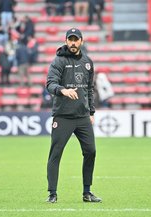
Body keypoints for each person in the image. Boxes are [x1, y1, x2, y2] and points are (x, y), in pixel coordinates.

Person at [45, 28, 101, 203]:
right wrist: (63, 90)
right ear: (66, 41)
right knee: (56, 153)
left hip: (82, 116)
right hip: (63, 116)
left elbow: (89, 89)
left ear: (81, 42)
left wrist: (91, 111)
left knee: (91, 151)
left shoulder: (88, 62)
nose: (73, 43)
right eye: (71, 40)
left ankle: (87, 192)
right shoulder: (58, 61)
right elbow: (50, 84)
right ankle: (52, 193)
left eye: (76, 40)